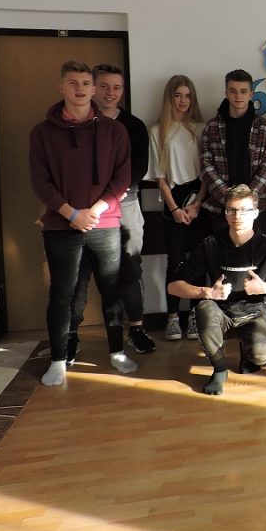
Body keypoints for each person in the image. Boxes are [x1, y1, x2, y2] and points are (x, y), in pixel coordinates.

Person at [29, 60, 134, 386]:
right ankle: (58, 360)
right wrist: (72, 214)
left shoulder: (114, 131)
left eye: (86, 83)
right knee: (63, 294)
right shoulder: (42, 133)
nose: (80, 89)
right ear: (62, 87)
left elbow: (122, 178)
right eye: (73, 83)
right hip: (61, 226)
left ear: (93, 89)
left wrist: (95, 211)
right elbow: (40, 182)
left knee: (111, 290)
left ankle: (117, 351)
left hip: (106, 223)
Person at [168, 185, 266, 395]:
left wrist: (265, 287)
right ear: (225, 213)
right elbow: (173, 286)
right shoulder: (211, 244)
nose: (237, 216)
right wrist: (207, 292)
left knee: (261, 357)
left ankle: (249, 350)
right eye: (232, 210)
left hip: (253, 315)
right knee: (204, 307)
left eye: (244, 210)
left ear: (255, 213)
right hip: (220, 316)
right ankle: (219, 369)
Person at [72, 64, 154, 355]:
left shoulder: (135, 126)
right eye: (104, 86)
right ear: (94, 88)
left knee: (130, 266)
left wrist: (108, 198)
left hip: (126, 203)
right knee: (79, 272)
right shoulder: (78, 122)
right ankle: (71, 335)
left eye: (116, 87)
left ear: (123, 91)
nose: (110, 92)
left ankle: (137, 329)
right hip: (84, 208)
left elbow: (139, 169)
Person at [149, 74, 206, 341]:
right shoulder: (157, 130)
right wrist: (174, 209)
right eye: (178, 95)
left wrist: (197, 204)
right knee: (175, 261)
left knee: (199, 260)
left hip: (198, 198)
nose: (183, 101)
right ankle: (172, 317)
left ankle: (195, 315)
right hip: (173, 201)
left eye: (188, 96)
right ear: (169, 98)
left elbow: (207, 173)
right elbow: (159, 177)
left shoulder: (201, 128)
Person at [199, 69, 266, 228]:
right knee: (220, 245)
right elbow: (206, 165)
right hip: (219, 207)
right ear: (226, 93)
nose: (238, 96)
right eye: (233, 91)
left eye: (243, 91)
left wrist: (249, 198)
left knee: (256, 246)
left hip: (255, 207)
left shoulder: (264, 127)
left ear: (251, 94)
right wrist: (228, 198)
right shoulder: (212, 126)